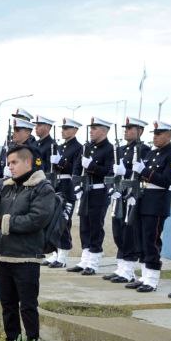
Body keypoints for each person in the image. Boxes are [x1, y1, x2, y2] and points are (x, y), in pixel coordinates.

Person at [0, 145, 58, 341]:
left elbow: (36, 220)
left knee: (28, 307)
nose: (9, 167)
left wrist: (2, 222)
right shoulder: (8, 186)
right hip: (4, 255)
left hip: (27, 256)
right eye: (8, 163)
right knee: (8, 306)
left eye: (14, 162)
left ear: (28, 162)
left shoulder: (42, 188)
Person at [130, 122, 171, 293]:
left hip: (157, 201)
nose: (155, 136)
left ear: (169, 135)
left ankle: (152, 279)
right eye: (154, 133)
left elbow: (166, 180)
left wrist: (144, 171)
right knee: (141, 238)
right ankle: (144, 276)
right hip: (143, 198)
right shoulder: (151, 153)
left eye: (159, 133)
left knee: (151, 240)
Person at [103, 117, 151, 285]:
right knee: (117, 230)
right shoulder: (121, 150)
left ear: (140, 131)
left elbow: (141, 174)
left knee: (128, 232)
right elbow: (111, 172)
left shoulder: (144, 150)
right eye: (126, 128)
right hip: (119, 194)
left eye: (131, 128)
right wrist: (111, 189)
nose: (126, 130)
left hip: (132, 195)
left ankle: (128, 270)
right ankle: (121, 266)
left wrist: (126, 170)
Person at [69, 117, 115, 276]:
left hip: (99, 191)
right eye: (91, 128)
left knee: (95, 225)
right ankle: (84, 260)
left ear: (104, 130)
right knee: (84, 225)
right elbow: (76, 168)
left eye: (95, 128)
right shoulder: (86, 147)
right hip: (85, 191)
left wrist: (92, 167)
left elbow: (109, 172)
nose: (91, 131)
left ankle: (93, 262)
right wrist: (76, 185)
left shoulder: (110, 149)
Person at [44, 118, 83, 268]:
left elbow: (75, 168)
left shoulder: (78, 148)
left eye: (67, 128)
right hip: (56, 184)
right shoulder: (59, 147)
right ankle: (55, 252)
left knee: (64, 221)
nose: (63, 130)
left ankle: (63, 255)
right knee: (53, 221)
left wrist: (60, 162)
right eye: (63, 128)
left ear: (75, 130)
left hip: (67, 186)